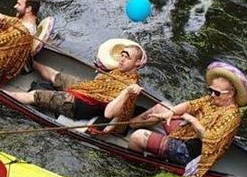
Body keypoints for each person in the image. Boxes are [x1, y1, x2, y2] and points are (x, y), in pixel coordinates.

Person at [105, 61, 247, 177]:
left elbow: (209, 139)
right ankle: (124, 126)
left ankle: (137, 167)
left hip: (192, 151)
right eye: (211, 90)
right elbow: (190, 105)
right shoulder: (211, 100)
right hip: (186, 133)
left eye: (217, 93)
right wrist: (169, 113)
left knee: (137, 137)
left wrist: (193, 120)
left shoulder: (232, 115)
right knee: (159, 108)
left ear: (231, 94)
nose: (212, 95)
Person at [10, 42, 147, 121]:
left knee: (35, 95)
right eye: (121, 55)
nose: (121, 59)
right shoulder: (119, 71)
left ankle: (1, 93)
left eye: (127, 57)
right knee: (55, 75)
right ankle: (30, 62)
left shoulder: (130, 85)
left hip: (81, 105)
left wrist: (127, 92)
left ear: (138, 62)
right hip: (86, 87)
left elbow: (109, 113)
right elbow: (100, 83)